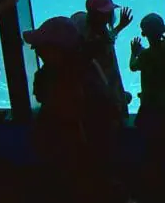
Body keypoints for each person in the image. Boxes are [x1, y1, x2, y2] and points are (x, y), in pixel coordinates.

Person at [26, 16, 123, 203]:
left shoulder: (69, 81)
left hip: (76, 160)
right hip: (75, 159)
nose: (35, 49)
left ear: (57, 50)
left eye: (41, 46)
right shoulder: (81, 70)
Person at [129, 13, 165, 201]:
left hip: (150, 106)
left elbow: (133, 66)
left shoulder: (146, 55)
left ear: (144, 33)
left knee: (151, 149)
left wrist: (135, 52)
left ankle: (152, 186)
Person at [82, 0, 133, 118]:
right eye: (104, 13)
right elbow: (103, 43)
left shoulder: (96, 32)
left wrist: (120, 26)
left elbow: (107, 39)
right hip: (105, 96)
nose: (108, 15)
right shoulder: (95, 39)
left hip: (106, 92)